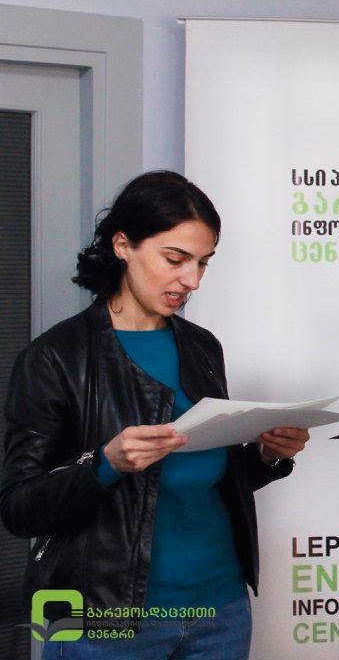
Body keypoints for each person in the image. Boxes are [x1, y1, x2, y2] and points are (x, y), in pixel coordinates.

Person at [1, 171, 309, 659]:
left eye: (203, 262)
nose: (192, 280)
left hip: (221, 611)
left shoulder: (202, 347)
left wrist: (267, 455)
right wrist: (106, 464)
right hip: (101, 618)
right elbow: (20, 507)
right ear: (123, 245)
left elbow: (205, 474)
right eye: (175, 259)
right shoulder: (54, 358)